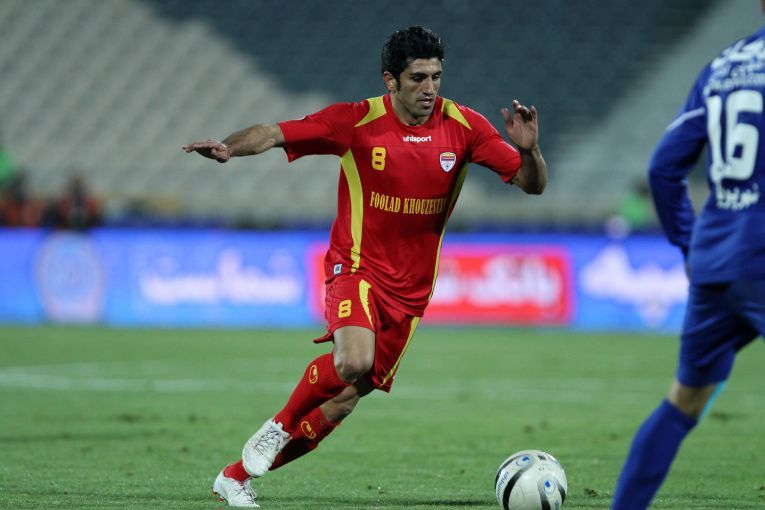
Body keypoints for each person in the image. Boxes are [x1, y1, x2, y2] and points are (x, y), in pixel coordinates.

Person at [183, 26, 547, 508]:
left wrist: (529, 150)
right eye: (417, 78)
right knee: (352, 360)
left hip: (411, 293)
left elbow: (532, 184)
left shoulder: (464, 126)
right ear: (390, 80)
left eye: (436, 76)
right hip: (356, 269)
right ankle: (278, 426)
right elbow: (273, 133)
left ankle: (235, 478)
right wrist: (231, 147)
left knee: (341, 402)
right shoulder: (356, 121)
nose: (430, 88)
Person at [610, 10, 765, 510]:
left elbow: (663, 169)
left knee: (684, 401)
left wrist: (690, 244)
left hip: (715, 258)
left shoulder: (724, 65)